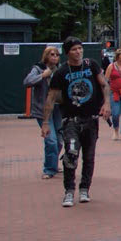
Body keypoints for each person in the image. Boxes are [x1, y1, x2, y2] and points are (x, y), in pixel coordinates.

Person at [42, 37, 111, 207]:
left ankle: (84, 188)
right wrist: (45, 122)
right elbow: (51, 97)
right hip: (71, 120)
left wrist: (107, 104)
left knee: (89, 157)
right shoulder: (61, 72)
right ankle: (69, 191)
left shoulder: (91, 65)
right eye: (74, 49)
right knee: (71, 153)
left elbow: (104, 84)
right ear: (67, 53)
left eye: (80, 48)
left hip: (91, 119)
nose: (78, 52)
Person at [24, 45, 63, 179]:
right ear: (46, 56)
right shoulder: (38, 68)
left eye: (57, 55)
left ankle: (53, 163)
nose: (55, 57)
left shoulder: (60, 70)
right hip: (43, 109)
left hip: (58, 109)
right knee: (50, 139)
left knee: (59, 140)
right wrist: (42, 76)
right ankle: (49, 169)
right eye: (52, 54)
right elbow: (27, 82)